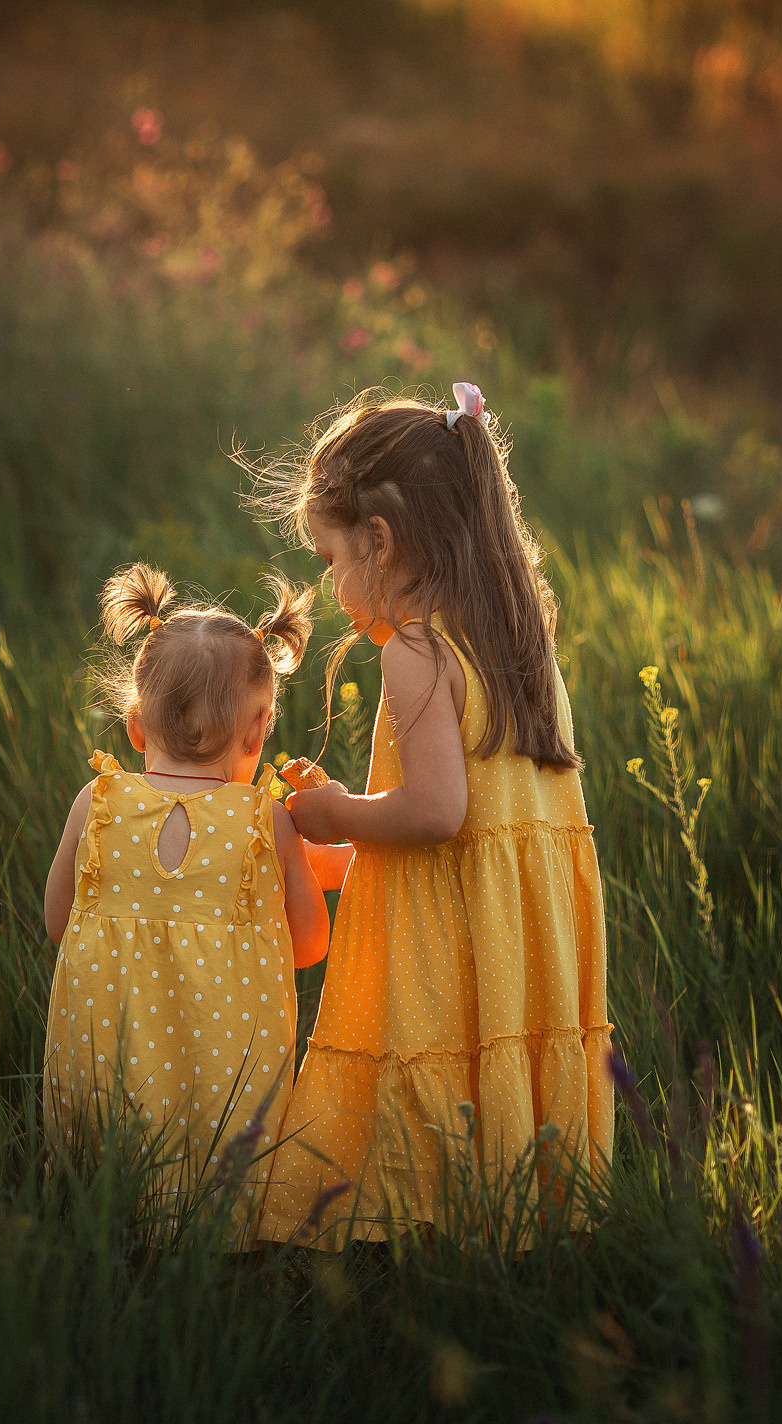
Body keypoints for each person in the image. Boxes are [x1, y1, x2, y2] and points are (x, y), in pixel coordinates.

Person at [250, 383, 614, 1247]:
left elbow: (439, 810)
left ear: (380, 541)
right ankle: (522, 1223)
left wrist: (337, 812)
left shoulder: (415, 648)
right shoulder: (514, 633)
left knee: (438, 1058)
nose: (331, 582)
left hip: (453, 919)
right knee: (504, 1052)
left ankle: (420, 1230)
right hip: (524, 925)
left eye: (331, 557)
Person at [41, 563, 332, 1241]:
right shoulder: (268, 820)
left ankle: (102, 1216)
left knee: (106, 1169)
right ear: (257, 733)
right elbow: (311, 944)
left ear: (137, 725)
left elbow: (59, 922)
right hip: (221, 1062)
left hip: (105, 1042)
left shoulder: (99, 802)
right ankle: (217, 1238)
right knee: (217, 1138)